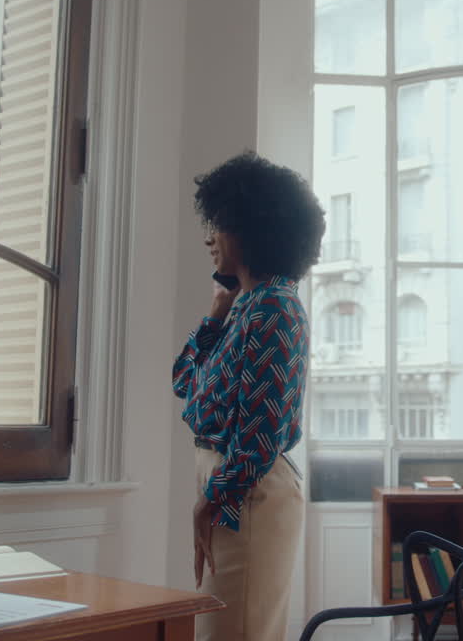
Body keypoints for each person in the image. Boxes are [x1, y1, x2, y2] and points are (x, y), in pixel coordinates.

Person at [172, 151, 325, 641]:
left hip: (247, 490)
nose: (209, 237)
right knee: (224, 631)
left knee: (236, 633)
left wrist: (209, 501)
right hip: (231, 485)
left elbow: (261, 435)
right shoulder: (248, 306)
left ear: (251, 230)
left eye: (220, 224)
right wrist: (217, 310)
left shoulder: (276, 310)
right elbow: (184, 385)